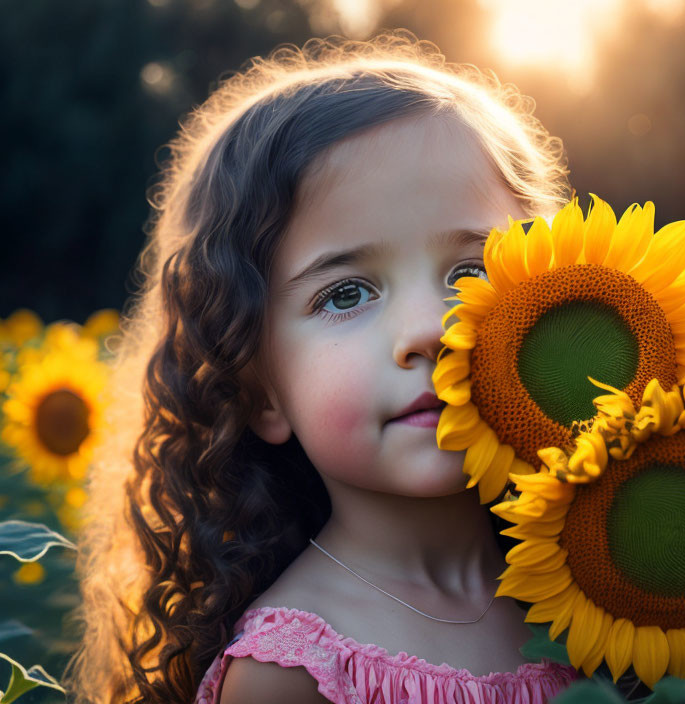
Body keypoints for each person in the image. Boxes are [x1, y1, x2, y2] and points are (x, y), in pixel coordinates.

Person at [62, 30, 577, 704]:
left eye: (472, 270)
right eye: (346, 293)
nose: (431, 329)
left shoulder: (615, 589)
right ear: (258, 393)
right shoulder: (290, 673)